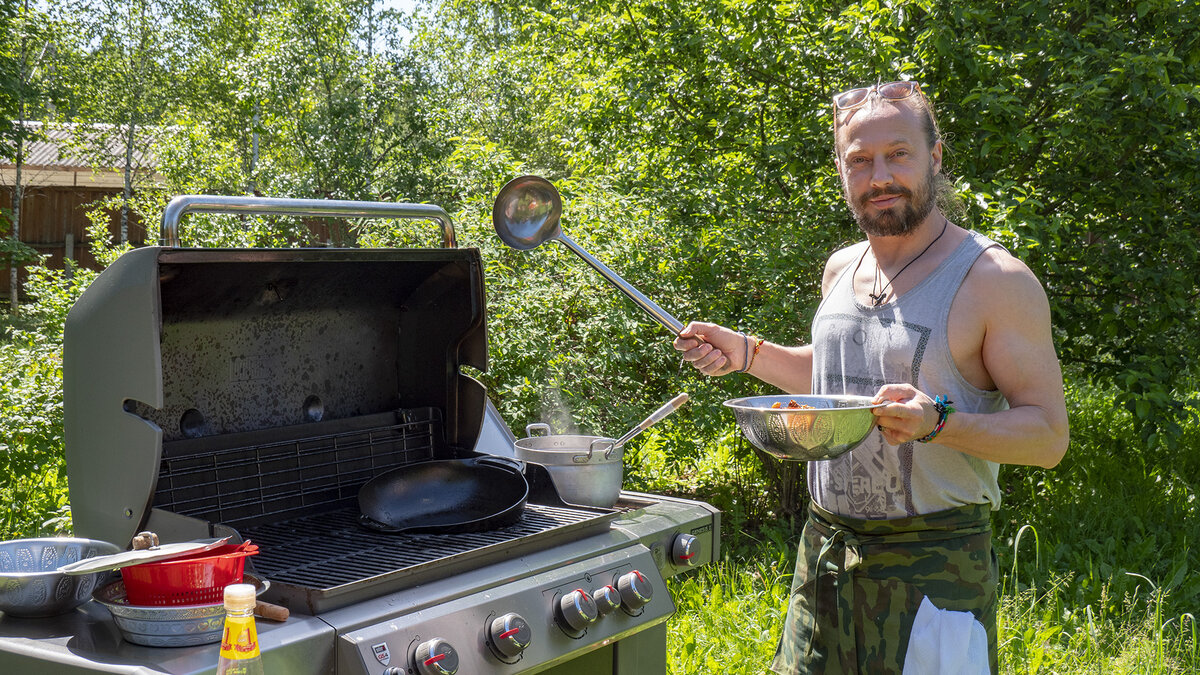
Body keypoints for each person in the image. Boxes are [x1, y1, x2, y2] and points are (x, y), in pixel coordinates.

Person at [673, 80, 1070, 674]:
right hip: (825, 556)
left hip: (936, 566)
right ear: (840, 169)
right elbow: (837, 376)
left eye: (898, 154)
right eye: (859, 160)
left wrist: (938, 423)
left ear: (934, 156)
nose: (879, 176)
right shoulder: (842, 267)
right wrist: (748, 353)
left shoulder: (994, 280)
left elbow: (1048, 437)